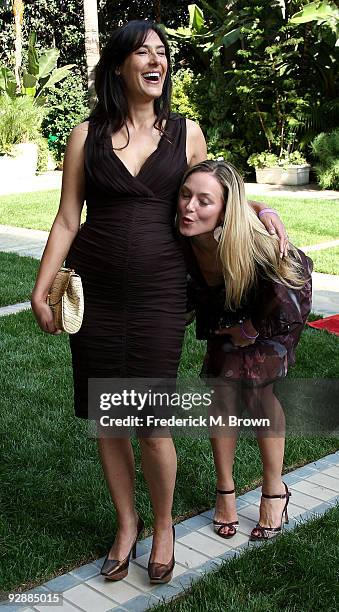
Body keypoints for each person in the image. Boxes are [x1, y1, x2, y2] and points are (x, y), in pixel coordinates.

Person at [31, 20, 288, 583]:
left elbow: (217, 189)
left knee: (150, 419)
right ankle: (127, 523)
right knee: (109, 417)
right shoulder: (86, 136)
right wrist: (41, 286)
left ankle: (165, 525)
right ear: (120, 65)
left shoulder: (185, 133)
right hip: (97, 293)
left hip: (160, 296)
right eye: (143, 51)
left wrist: (261, 208)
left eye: (163, 53)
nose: (157, 60)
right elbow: (68, 217)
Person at [178, 160, 312, 541]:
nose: (190, 207)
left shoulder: (254, 241)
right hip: (226, 308)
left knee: (257, 390)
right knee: (222, 391)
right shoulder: (181, 231)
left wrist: (249, 329)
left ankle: (275, 490)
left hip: (275, 311)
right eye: (185, 196)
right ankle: (225, 490)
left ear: (225, 210)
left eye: (204, 201)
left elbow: (287, 292)